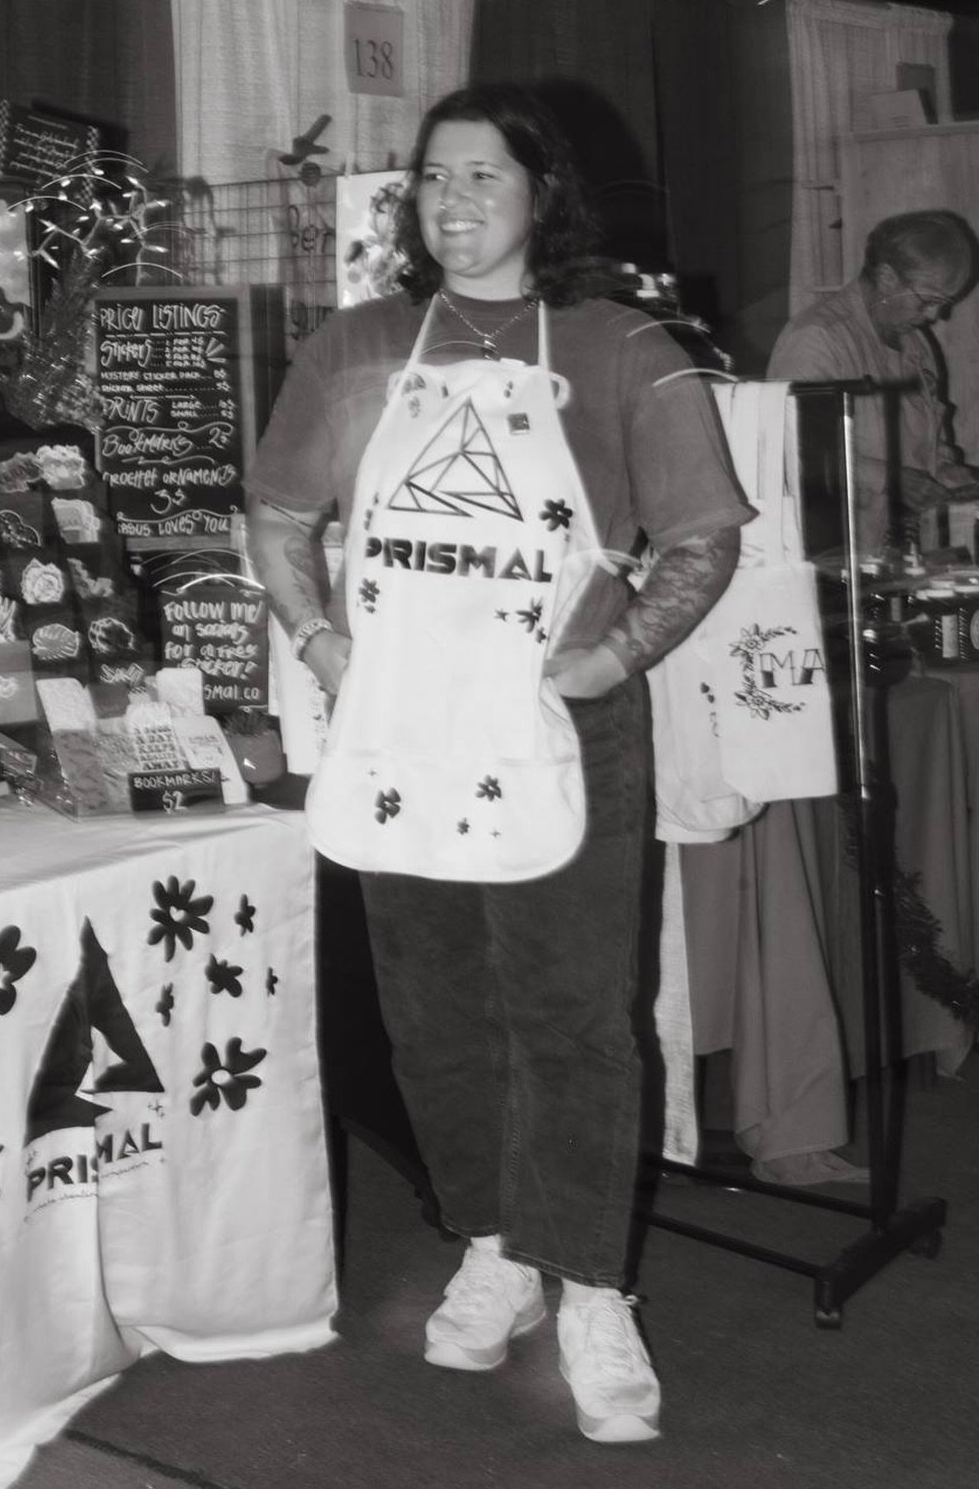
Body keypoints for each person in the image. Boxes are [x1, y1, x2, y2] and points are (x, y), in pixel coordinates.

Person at [245, 83, 753, 1445]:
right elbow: (281, 511)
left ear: (542, 196)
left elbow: (703, 537)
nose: (453, 203)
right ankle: (493, 1240)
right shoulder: (355, 348)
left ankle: (592, 1284)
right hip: (403, 724)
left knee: (577, 1014)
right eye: (432, 180)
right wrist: (317, 638)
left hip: (560, 730)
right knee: (431, 1004)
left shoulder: (624, 346)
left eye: (484, 178)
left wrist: (609, 658)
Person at [767, 210, 979, 554]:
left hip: (899, 556)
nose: (935, 317)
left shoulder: (915, 344)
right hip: (832, 554)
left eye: (944, 303)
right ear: (886, 277)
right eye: (928, 300)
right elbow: (792, 452)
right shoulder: (817, 340)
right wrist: (889, 479)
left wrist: (947, 473)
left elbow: (927, 441)